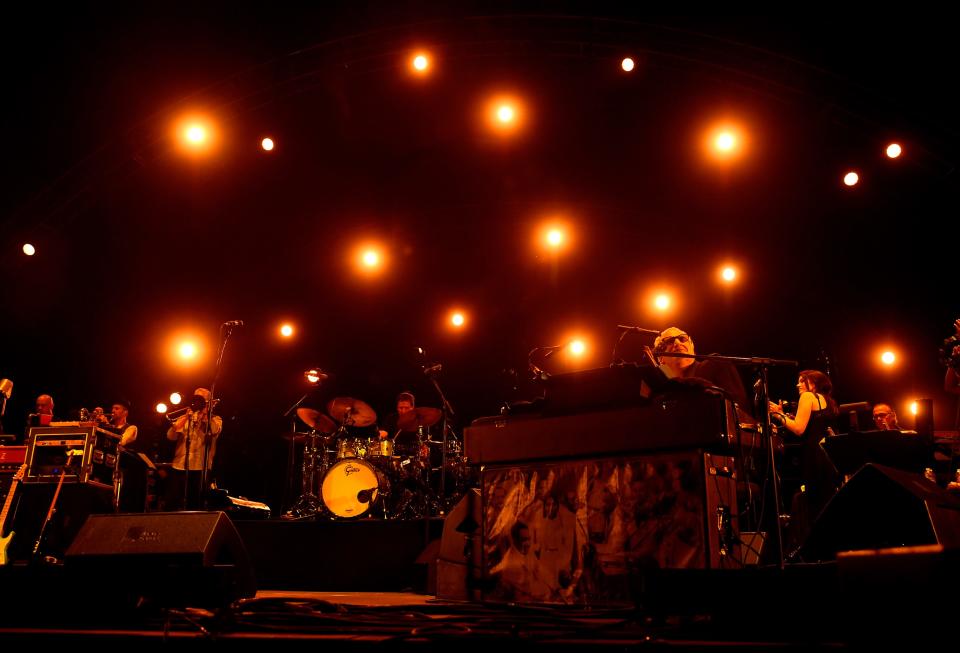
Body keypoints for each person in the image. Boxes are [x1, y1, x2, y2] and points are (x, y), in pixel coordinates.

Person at [768, 370, 839, 551]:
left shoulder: (807, 396)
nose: (798, 385)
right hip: (826, 455)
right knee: (825, 503)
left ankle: (813, 550)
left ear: (812, 384)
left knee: (812, 504)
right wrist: (783, 413)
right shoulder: (825, 400)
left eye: (802, 381)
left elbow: (799, 429)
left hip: (814, 455)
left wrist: (777, 416)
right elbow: (811, 425)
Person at [653, 326, 751, 414]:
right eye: (669, 341)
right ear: (660, 358)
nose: (677, 343)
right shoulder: (663, 391)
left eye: (683, 338)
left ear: (692, 346)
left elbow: (740, 406)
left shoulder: (715, 363)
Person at [165, 387, 222, 510]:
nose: (198, 402)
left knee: (195, 504)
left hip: (200, 467)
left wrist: (206, 415)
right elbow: (171, 436)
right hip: (179, 465)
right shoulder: (185, 417)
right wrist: (185, 417)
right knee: (173, 502)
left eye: (201, 400)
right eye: (196, 398)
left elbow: (214, 431)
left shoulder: (215, 419)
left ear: (209, 402)